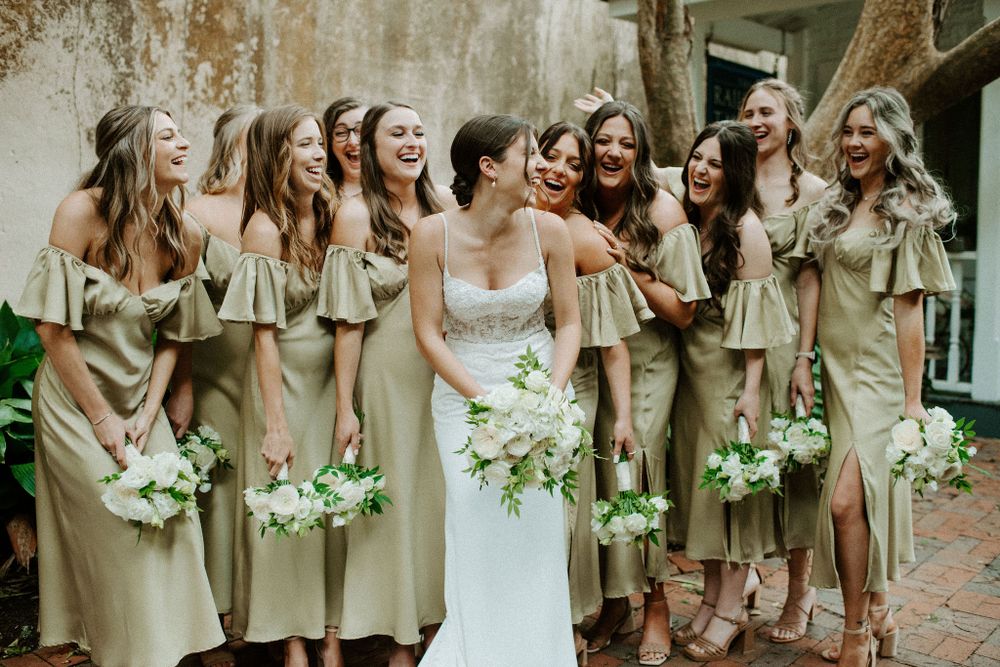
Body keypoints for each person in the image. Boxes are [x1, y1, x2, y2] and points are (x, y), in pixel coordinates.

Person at [15, 105, 226, 667]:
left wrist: (154, 408)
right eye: (168, 136)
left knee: (173, 526)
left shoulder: (184, 233)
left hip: (139, 399)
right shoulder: (81, 212)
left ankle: (161, 654)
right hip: (74, 399)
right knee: (115, 534)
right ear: (134, 150)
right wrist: (102, 418)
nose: (184, 144)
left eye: (181, 134)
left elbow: (175, 334)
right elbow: (52, 329)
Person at [410, 114, 581, 665]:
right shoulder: (431, 235)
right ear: (489, 166)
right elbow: (428, 334)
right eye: (530, 154)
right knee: (474, 519)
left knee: (536, 530)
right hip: (463, 399)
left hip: (537, 394)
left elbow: (569, 324)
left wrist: (551, 398)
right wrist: (484, 402)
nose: (542, 165)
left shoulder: (550, 230)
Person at [808, 87, 955, 667]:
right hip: (835, 373)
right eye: (848, 132)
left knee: (846, 502)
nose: (853, 142)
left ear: (892, 139)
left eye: (866, 132)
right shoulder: (838, 203)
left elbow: (909, 309)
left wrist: (913, 401)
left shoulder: (906, 211)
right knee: (863, 500)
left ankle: (854, 634)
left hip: (877, 374)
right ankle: (881, 616)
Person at [321, 101, 455, 666]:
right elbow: (348, 324)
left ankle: (441, 626)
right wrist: (345, 406)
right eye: (397, 133)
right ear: (371, 148)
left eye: (419, 132)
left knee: (441, 500)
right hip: (386, 377)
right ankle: (402, 639)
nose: (412, 142)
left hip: (446, 373)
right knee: (397, 503)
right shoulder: (355, 216)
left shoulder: (446, 204)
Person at [582, 101, 710, 666]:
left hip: (650, 362)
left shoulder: (662, 210)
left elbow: (683, 312)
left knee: (639, 474)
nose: (613, 153)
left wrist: (627, 266)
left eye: (626, 144)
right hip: (592, 362)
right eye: (604, 141)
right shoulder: (579, 203)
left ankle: (656, 602)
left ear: (641, 154)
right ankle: (616, 603)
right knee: (601, 481)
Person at [218, 105, 344, 667]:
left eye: (320, 144)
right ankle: (293, 640)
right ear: (277, 155)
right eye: (305, 145)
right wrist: (276, 425)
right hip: (283, 386)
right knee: (288, 505)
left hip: (332, 382)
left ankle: (329, 632)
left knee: (330, 508)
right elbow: (262, 336)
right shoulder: (265, 228)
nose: (319, 155)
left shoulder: (334, 213)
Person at [670, 120, 795, 662]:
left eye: (715, 163)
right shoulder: (692, 218)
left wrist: (751, 392)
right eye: (697, 158)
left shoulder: (746, 230)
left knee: (731, 501)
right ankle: (711, 600)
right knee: (704, 501)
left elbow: (757, 329)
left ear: (736, 173)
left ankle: (730, 612)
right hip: (692, 381)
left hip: (729, 383)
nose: (700, 169)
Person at [536, 121, 653, 654]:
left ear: (582, 180)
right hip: (508, 382)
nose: (558, 170)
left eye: (573, 164)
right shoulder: (507, 218)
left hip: (571, 390)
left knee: (558, 512)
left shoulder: (583, 237)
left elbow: (613, 346)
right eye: (550, 156)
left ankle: (562, 624)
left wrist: (622, 418)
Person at [165, 106, 261, 666]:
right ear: (233, 147)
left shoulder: (283, 210)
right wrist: (181, 383)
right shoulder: (197, 213)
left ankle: (256, 609)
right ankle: (213, 624)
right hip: (215, 366)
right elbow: (180, 308)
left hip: (274, 369)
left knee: (262, 488)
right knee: (219, 491)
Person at [737, 79, 828, 644]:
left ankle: (800, 592)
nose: (755, 121)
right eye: (747, 112)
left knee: (794, 467)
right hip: (736, 338)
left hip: (787, 337)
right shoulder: (732, 179)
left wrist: (803, 357)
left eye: (766, 112)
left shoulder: (813, 191)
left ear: (791, 121)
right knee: (741, 455)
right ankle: (745, 574)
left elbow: (811, 279)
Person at [323, 97, 368, 199]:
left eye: (360, 130)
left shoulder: (395, 187)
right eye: (341, 132)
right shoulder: (319, 195)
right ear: (329, 142)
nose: (352, 142)